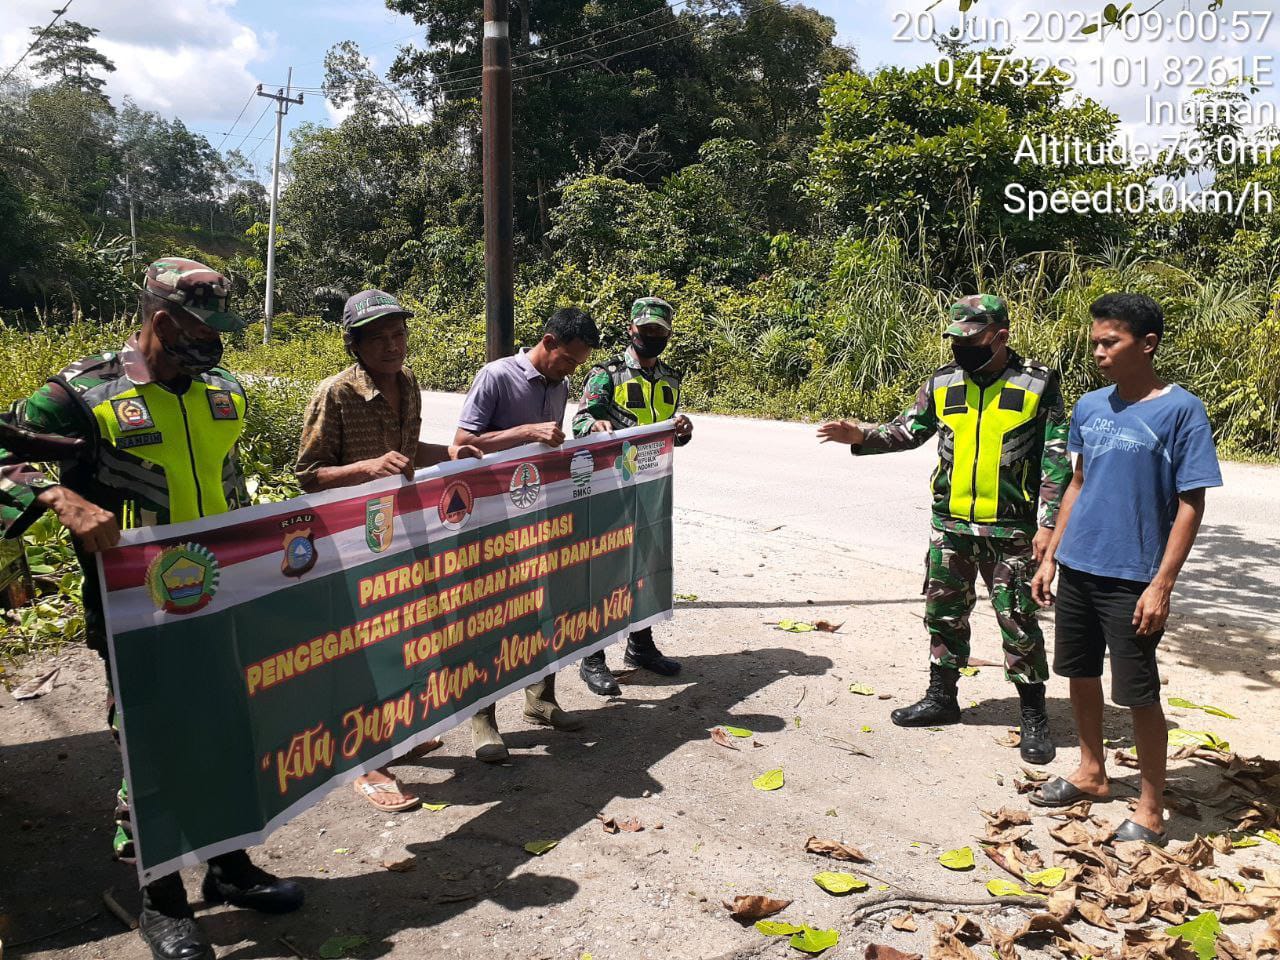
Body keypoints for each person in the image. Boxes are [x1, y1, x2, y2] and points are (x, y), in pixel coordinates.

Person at [0, 258, 302, 960]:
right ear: (162, 321)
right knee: (155, 751)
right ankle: (160, 898)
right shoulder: (81, 392)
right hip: (138, 612)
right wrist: (60, 498)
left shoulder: (222, 389)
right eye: (204, 328)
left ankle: (229, 870)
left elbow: (227, 490)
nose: (218, 345)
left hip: (222, 598)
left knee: (229, 734)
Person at [817, 295, 1069, 765]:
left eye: (970, 339)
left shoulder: (1037, 384)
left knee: (1017, 622)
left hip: (1010, 529)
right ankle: (942, 698)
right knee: (943, 613)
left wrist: (1049, 527)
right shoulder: (942, 383)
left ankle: (1033, 714)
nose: (960, 348)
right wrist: (861, 437)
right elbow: (909, 430)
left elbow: (1057, 461)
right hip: (949, 526)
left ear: (1000, 337)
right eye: (955, 339)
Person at [1028, 293, 1220, 844]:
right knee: (1079, 672)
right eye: (1095, 343)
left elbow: (1192, 502)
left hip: (1133, 574)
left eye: (1110, 342)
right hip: (1080, 564)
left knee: (1137, 691)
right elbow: (1079, 483)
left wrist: (1162, 583)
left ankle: (1152, 808)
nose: (1098, 352)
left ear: (1148, 343)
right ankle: (1091, 773)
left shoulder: (1181, 410)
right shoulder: (1090, 406)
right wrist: (1052, 554)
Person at [294, 289, 481, 811]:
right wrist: (365, 469)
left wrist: (450, 452)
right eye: (379, 339)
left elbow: (408, 450)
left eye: (398, 335)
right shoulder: (334, 395)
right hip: (349, 543)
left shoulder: (410, 385)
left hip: (400, 534)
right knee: (361, 651)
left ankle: (397, 731)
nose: (392, 346)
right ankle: (367, 764)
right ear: (354, 344)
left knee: (402, 634)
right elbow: (308, 476)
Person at [453, 307, 602, 762]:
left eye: (577, 365)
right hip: (493, 517)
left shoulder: (562, 385)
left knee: (547, 603)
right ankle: (483, 719)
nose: (570, 371)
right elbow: (462, 443)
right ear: (548, 341)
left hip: (539, 511)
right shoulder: (495, 377)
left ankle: (541, 700)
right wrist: (524, 432)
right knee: (494, 612)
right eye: (568, 360)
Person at [570, 296, 693, 696]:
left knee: (645, 566)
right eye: (646, 331)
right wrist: (596, 425)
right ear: (631, 330)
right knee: (604, 572)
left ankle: (640, 646)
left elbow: (666, 431)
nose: (651, 338)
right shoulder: (606, 374)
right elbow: (580, 420)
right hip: (609, 486)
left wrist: (682, 430)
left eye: (659, 332)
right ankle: (593, 656)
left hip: (651, 487)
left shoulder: (672, 379)